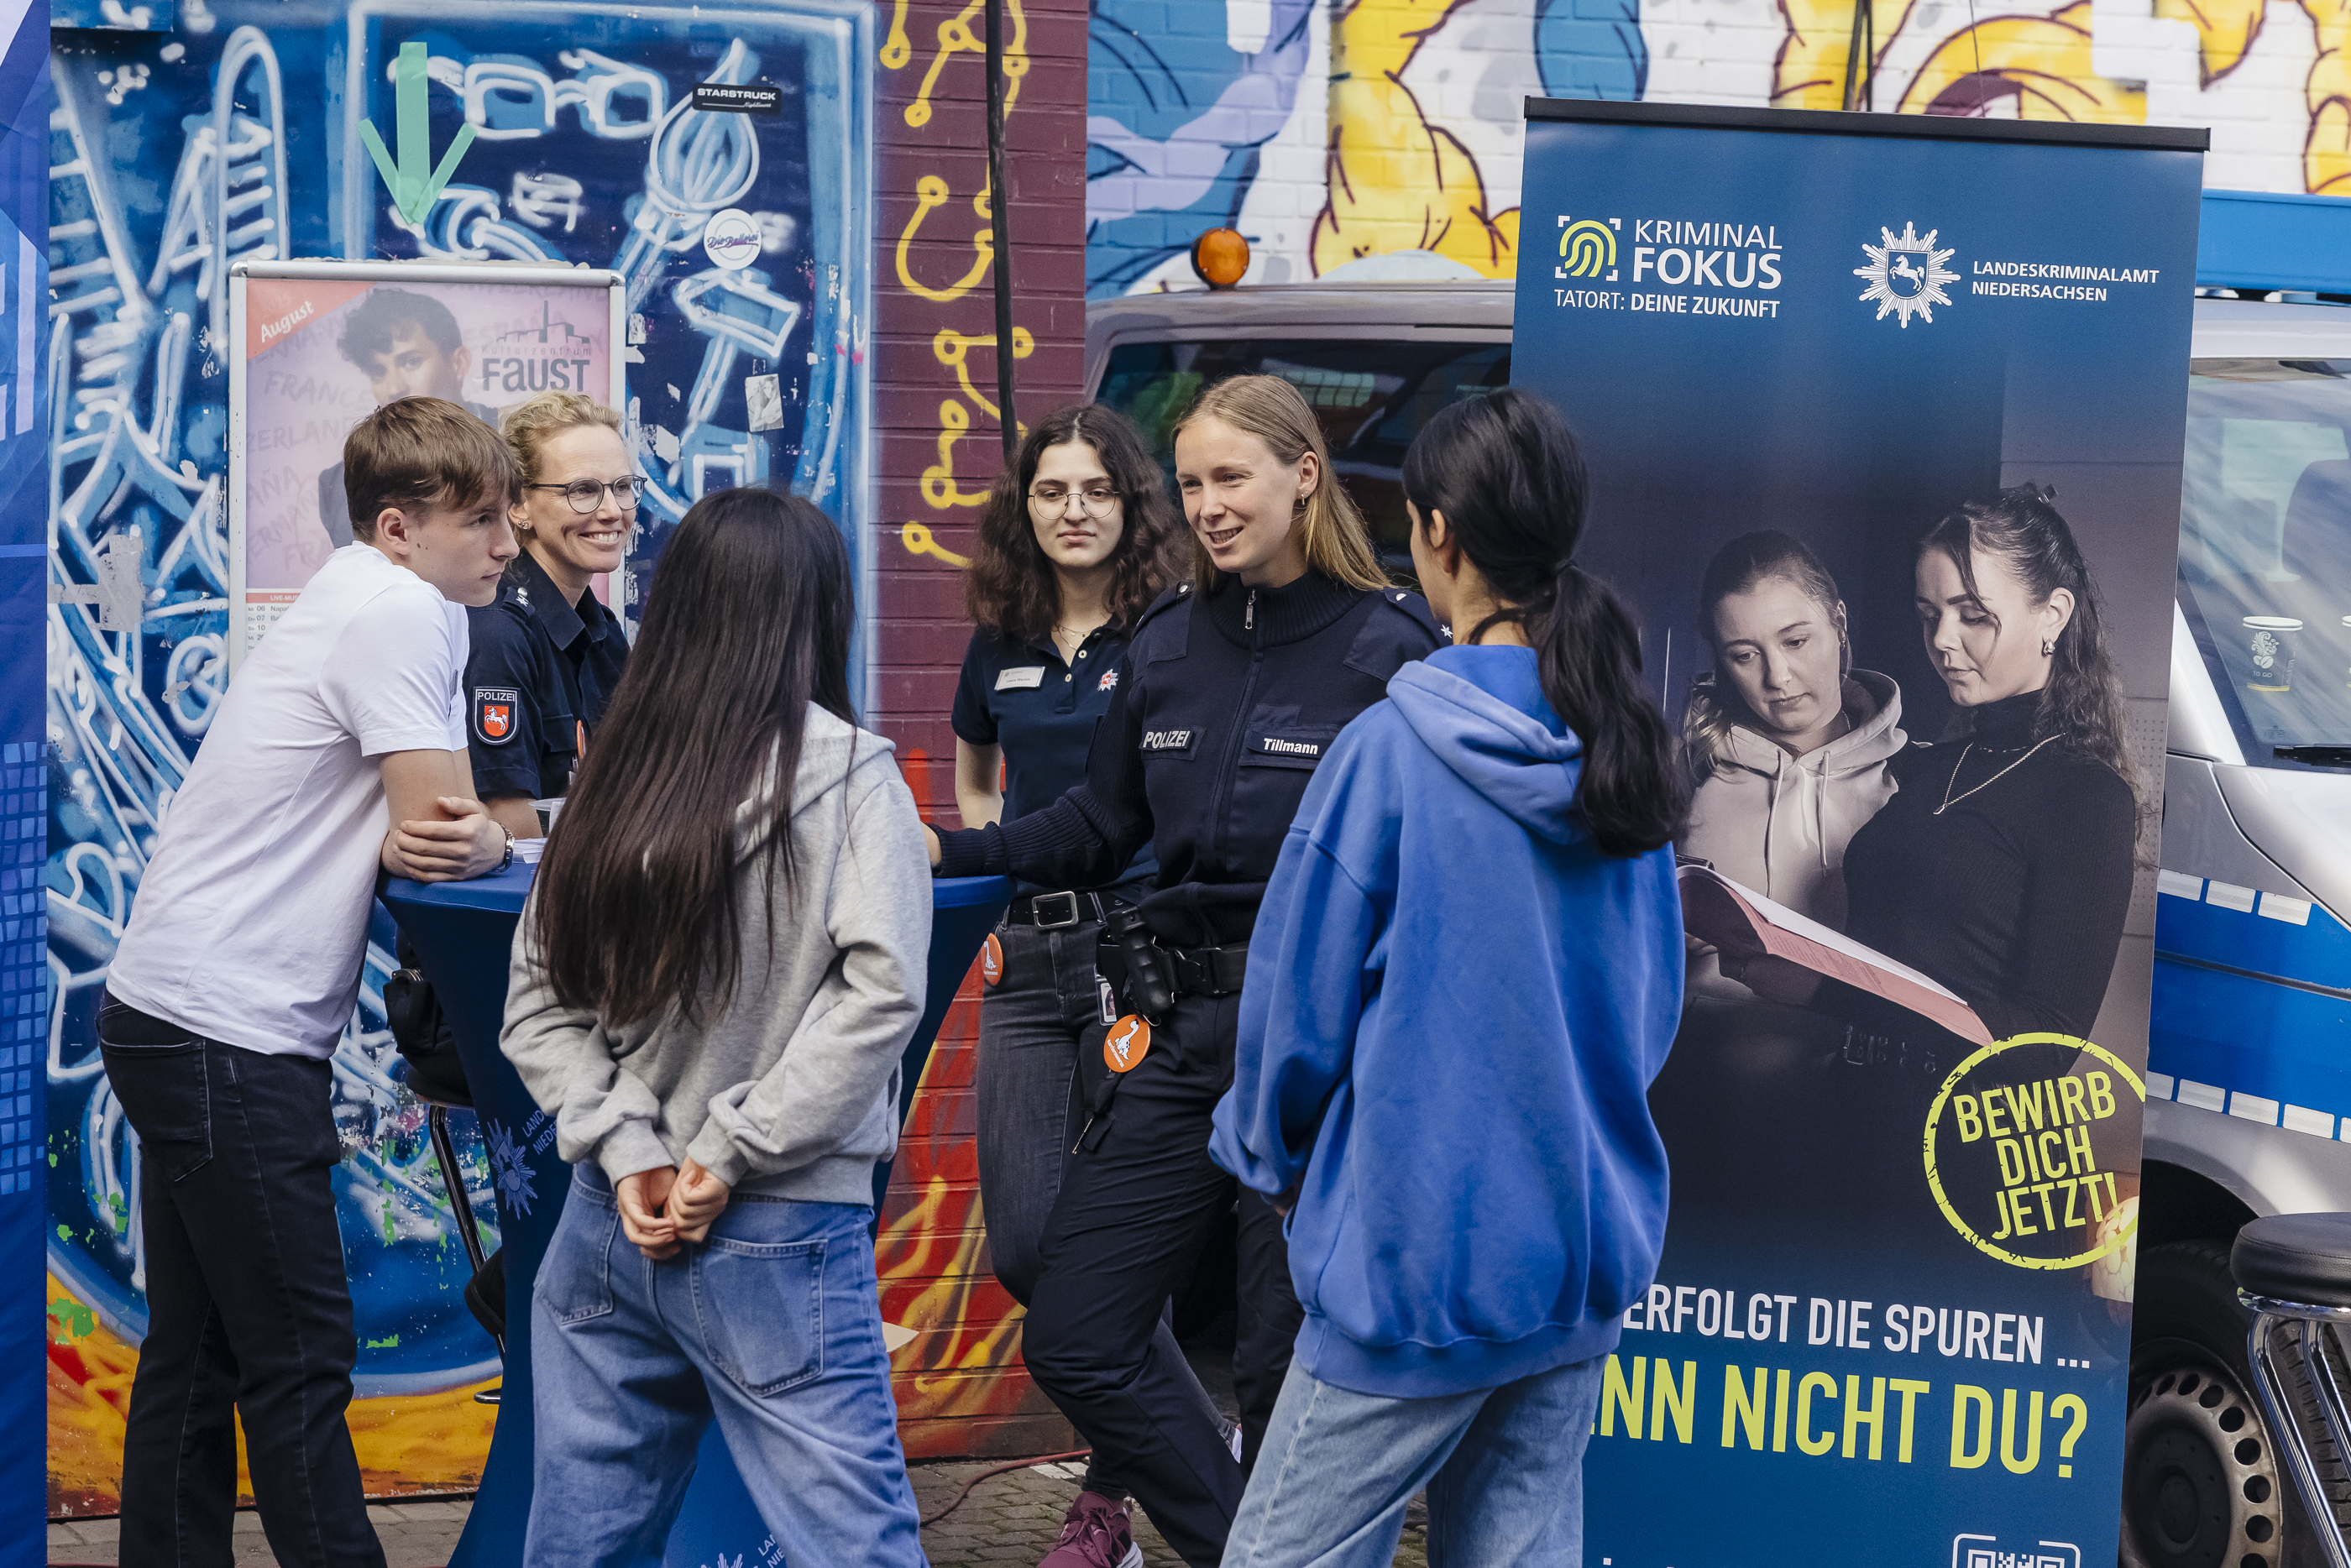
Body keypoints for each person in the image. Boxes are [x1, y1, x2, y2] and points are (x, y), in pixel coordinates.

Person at [928, 374, 1443, 1568]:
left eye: (1232, 478)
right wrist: (955, 850)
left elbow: (1431, 870)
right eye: (1193, 481)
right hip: (1177, 1028)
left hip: (1317, 1047)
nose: (1208, 505)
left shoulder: (1392, 646)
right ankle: (1245, 1551)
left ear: (1303, 477)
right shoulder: (1164, 642)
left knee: (1278, 1358)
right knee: (1077, 1331)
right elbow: (1099, 822)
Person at [1211, 387, 1685, 1566]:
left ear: (1437, 534)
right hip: (1575, 1260)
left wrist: (1274, 1162)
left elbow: (1293, 1018)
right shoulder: (1623, 750)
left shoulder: (1386, 755)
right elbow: (1649, 1017)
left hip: (1410, 1274)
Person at [98, 397, 518, 1568]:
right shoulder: (400, 610)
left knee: (201, 1353)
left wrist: (461, 828)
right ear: (398, 527)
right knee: (298, 1354)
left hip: (172, 1011)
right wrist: (494, 835)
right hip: (225, 1030)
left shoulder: (365, 593)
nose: (506, 541)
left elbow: (412, 828)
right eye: (480, 519)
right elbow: (438, 836)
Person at [500, 486, 932, 1568]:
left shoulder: (613, 775)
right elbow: (881, 992)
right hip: (778, 1224)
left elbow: (538, 1004)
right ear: (818, 610)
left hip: (610, 1220)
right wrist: (728, 1150)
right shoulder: (854, 776)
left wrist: (631, 1148)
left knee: (581, 1545)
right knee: (856, 1546)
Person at [950, 405, 1180, 1554]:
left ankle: (1109, 1500)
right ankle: (1187, 1431)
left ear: (1131, 505)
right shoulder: (999, 636)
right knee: (1030, 1247)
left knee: (1127, 1241)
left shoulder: (1171, 632)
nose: (1074, 510)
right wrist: (998, 860)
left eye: (1097, 490)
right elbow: (974, 774)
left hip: (1140, 956)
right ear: (1024, 506)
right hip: (1027, 959)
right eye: (1052, 490)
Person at [1726, 484, 2139, 1045]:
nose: (1943, 639)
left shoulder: (2087, 797)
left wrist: (1825, 992)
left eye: (1973, 616)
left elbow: (2047, 1042)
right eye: (1929, 615)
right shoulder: (1922, 767)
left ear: (2053, 615)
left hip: (1949, 1102)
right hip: (1835, 1089)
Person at [1679, 530, 1906, 929]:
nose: (1777, 677)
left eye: (1796, 641)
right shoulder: (1684, 769)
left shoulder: (1918, 778)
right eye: (1745, 655)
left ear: (1839, 623)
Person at [465, 391, 636, 843]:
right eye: (583, 491)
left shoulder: (604, 632)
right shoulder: (498, 631)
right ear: (518, 506)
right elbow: (506, 819)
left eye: (622, 487)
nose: (612, 511)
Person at [320, 289, 503, 548]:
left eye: (411, 362)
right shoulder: (340, 484)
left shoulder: (519, 443)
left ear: (458, 363)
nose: (394, 388)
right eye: (378, 371)